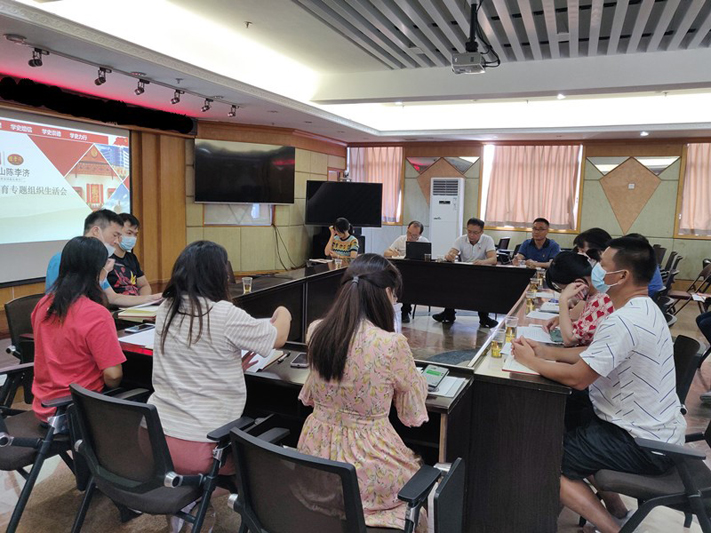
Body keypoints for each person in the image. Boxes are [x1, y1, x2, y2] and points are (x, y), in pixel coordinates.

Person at [512, 237, 685, 533]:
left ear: (622, 276)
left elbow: (578, 378)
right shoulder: (645, 309)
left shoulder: (624, 321)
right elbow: (595, 354)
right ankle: (617, 510)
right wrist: (546, 352)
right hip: (653, 431)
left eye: (602, 265)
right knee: (572, 423)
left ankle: (613, 530)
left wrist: (531, 361)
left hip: (641, 442)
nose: (595, 270)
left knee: (546, 458)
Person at [298, 254, 429, 532]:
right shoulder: (391, 344)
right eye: (395, 295)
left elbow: (311, 394)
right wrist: (417, 380)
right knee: (423, 491)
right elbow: (411, 414)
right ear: (387, 293)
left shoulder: (316, 331)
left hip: (316, 462)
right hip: (367, 465)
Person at [148, 240, 291, 477]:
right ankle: (213, 493)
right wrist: (284, 311)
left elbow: (191, 356)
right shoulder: (224, 314)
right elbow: (279, 337)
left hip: (154, 438)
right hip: (201, 448)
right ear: (218, 276)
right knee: (269, 450)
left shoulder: (167, 307)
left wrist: (227, 366)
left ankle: (191, 496)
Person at [32, 236, 125, 422]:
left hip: (44, 407)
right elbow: (113, 376)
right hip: (78, 412)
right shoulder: (96, 314)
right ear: (97, 270)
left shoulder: (43, 304)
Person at [45, 209, 161, 307]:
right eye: (114, 235)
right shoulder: (62, 259)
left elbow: (113, 297)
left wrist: (153, 298)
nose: (116, 241)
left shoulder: (100, 262)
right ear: (96, 231)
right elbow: (64, 301)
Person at [432, 218, 498, 327]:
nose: (471, 235)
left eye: (475, 233)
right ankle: (449, 313)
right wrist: (450, 256)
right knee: (449, 283)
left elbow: (493, 259)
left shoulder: (487, 240)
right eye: (469, 231)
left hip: (481, 273)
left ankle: (484, 317)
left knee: (485, 287)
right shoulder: (461, 239)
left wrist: (482, 262)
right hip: (464, 273)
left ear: (482, 232)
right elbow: (451, 253)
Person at [542, 251, 614, 347]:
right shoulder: (594, 294)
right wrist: (561, 319)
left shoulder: (602, 299)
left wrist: (563, 300)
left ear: (579, 283)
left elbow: (570, 340)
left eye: (565, 289)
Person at [384, 220, 429, 323]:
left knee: (409, 282)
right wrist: (393, 253)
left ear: (420, 235)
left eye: (414, 236)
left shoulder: (424, 242)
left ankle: (406, 310)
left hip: (418, 274)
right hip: (403, 272)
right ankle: (403, 310)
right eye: (409, 233)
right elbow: (386, 253)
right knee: (402, 281)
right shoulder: (401, 239)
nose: (410, 237)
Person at [107, 213, 152, 296]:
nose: (133, 238)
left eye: (135, 234)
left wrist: (143, 300)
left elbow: (144, 285)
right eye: (129, 233)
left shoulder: (132, 258)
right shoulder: (105, 258)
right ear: (116, 233)